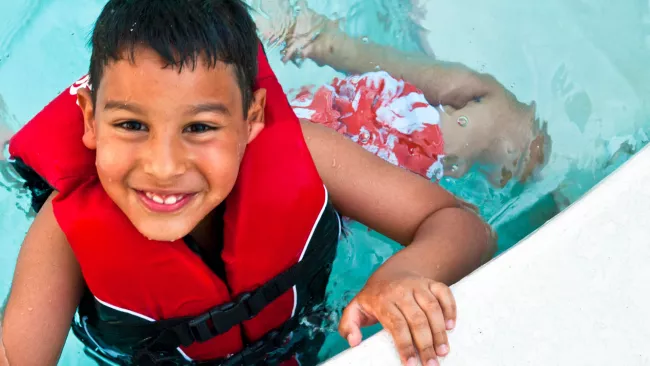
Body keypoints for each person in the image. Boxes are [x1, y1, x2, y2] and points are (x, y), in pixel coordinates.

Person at [0, 1, 495, 366]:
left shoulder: (307, 151)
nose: (164, 166)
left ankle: (333, 41)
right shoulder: (63, 234)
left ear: (252, 118)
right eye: (131, 126)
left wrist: (401, 275)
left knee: (501, 125)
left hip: (306, 127)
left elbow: (463, 225)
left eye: (199, 128)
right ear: (89, 121)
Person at [254, 0, 551, 187]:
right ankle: (319, 39)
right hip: (308, 151)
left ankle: (318, 39)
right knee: (501, 119)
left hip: (280, 150)